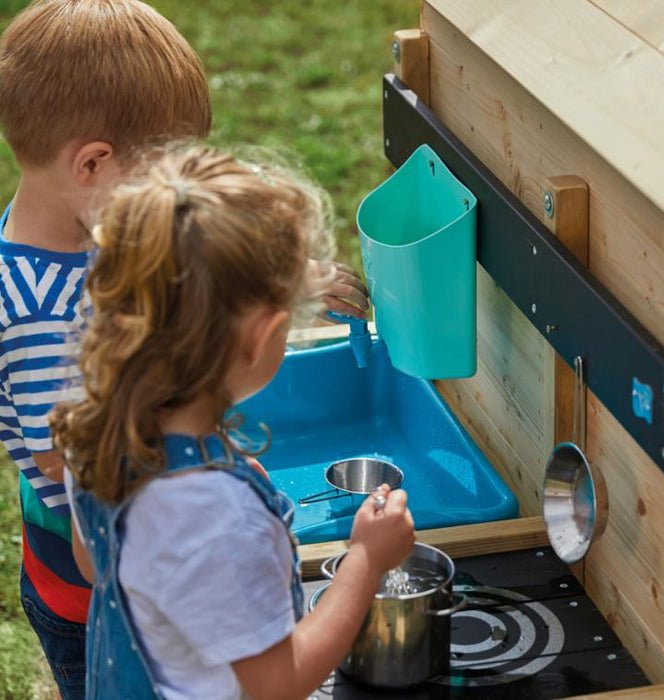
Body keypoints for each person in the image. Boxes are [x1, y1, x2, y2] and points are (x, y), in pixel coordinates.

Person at [0, 1, 367, 696]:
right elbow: (74, 450)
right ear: (93, 163)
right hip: (95, 596)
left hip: (112, 559)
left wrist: (283, 282)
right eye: (158, 170)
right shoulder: (44, 316)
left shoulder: (84, 239)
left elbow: (176, 280)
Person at [50, 145, 415, 700]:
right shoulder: (216, 513)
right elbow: (277, 682)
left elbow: (93, 560)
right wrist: (365, 560)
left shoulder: (97, 424)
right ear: (262, 336)